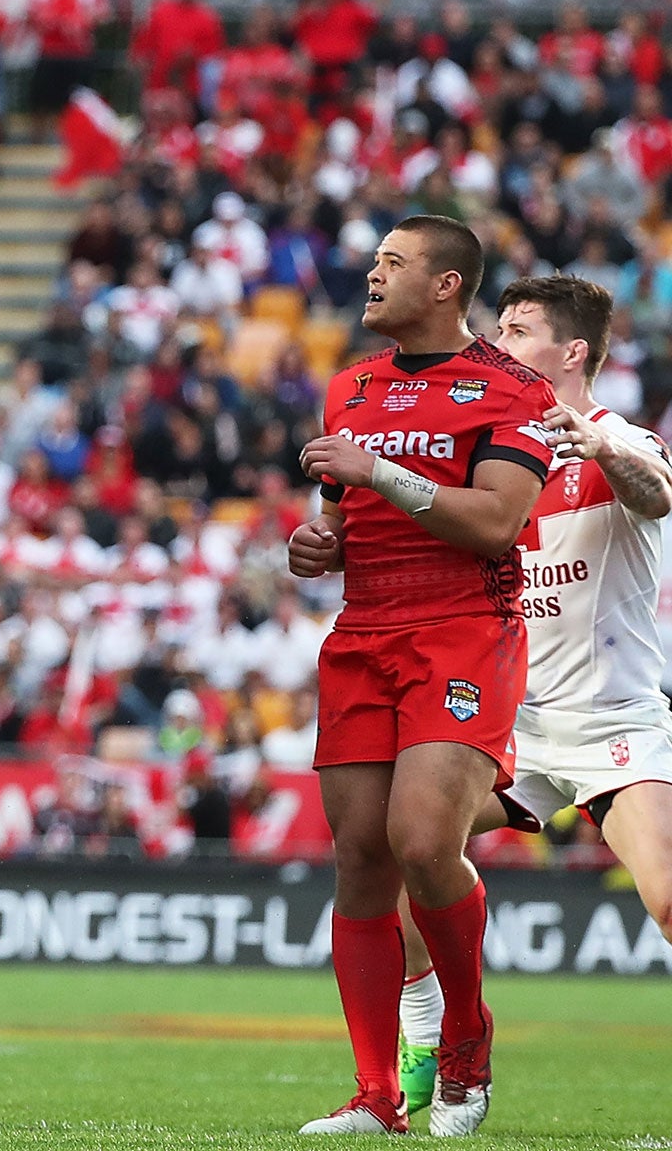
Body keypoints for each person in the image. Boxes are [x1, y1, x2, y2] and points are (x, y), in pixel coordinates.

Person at [288, 215, 558, 1136]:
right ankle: (375, 1094)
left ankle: (466, 1042)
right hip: (364, 630)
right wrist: (317, 541)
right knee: (359, 859)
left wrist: (378, 472)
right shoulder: (349, 387)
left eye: (393, 264)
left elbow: (496, 524)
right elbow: (341, 507)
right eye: (372, 260)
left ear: (448, 285)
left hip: (463, 629)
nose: (371, 274)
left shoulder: (511, 389)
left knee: (421, 840)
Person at [395, 276, 672, 1111]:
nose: (497, 342)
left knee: (668, 899)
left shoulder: (621, 437)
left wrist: (600, 450)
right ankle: (434, 1063)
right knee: (408, 854)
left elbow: (656, 493)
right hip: (513, 727)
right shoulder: (496, 451)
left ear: (572, 351)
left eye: (517, 331)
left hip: (613, 721)